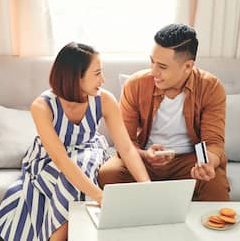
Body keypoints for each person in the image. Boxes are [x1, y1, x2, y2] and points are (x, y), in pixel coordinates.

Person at [0, 42, 150, 241]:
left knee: (82, 164)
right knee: (67, 176)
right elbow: (61, 159)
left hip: (89, 151)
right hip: (49, 158)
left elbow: (126, 148)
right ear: (76, 77)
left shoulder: (105, 100)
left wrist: (146, 186)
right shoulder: (42, 106)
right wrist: (100, 196)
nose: (103, 79)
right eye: (97, 73)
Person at [98, 24, 230, 201]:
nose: (154, 71)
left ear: (188, 66)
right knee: (108, 174)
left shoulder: (211, 87)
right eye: (152, 61)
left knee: (215, 184)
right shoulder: (135, 85)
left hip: (189, 161)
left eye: (162, 66)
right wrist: (146, 155)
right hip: (143, 159)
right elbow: (125, 142)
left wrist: (207, 164)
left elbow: (213, 143)